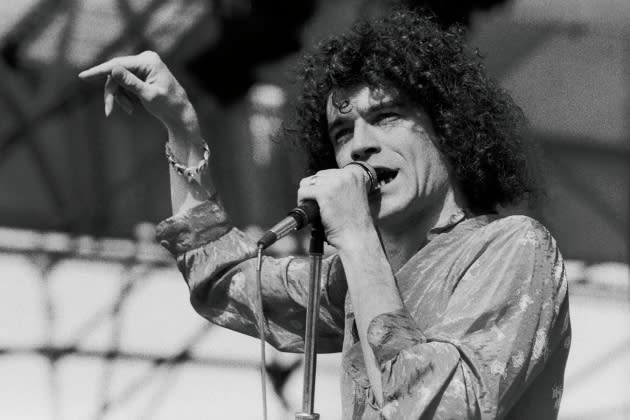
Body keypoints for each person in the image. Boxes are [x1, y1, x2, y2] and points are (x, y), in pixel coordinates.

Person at [80, 9, 571, 419]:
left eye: (386, 118)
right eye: (341, 133)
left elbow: (437, 409)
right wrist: (181, 128)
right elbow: (223, 279)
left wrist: (356, 236)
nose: (360, 145)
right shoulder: (355, 275)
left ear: (446, 129)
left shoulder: (513, 246)